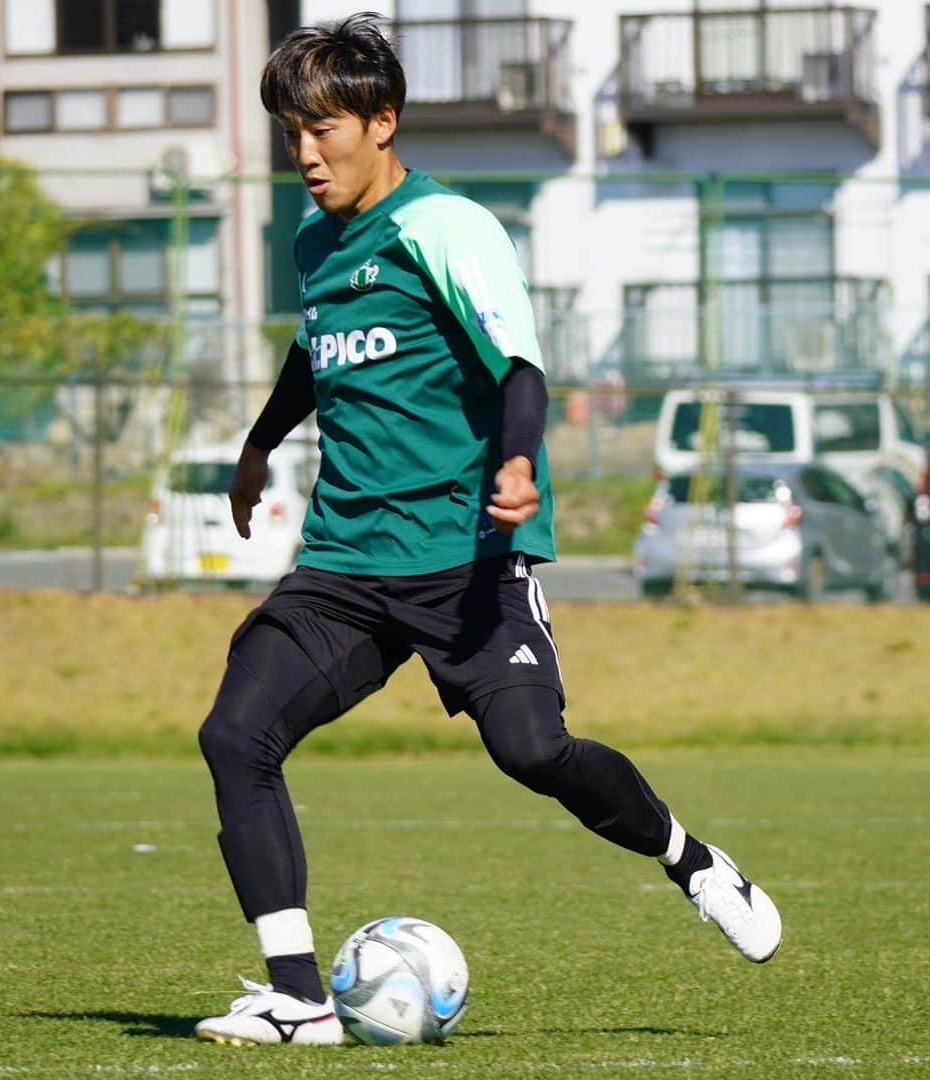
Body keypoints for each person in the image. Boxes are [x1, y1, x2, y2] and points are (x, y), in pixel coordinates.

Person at [194, 13, 782, 1048]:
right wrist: (258, 445)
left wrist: (516, 462)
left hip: (465, 561)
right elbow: (315, 349)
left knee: (533, 751)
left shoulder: (448, 227)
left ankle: (689, 858)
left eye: (323, 130)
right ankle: (298, 996)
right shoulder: (315, 240)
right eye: (292, 131)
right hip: (344, 560)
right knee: (236, 735)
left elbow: (521, 366)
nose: (305, 154)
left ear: (382, 122)